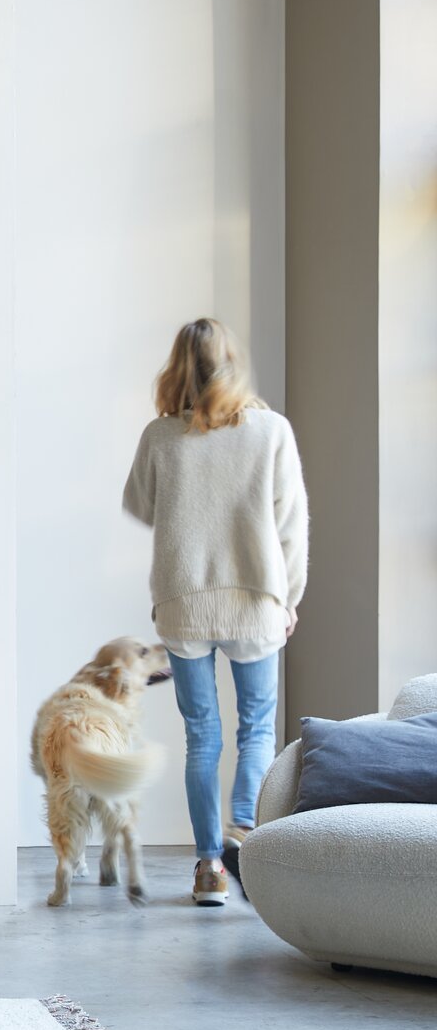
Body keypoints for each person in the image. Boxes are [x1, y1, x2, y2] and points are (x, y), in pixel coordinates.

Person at [122, 318, 308, 906]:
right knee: (256, 727)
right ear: (232, 362)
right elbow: (292, 527)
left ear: (177, 366)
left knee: (202, 736)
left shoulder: (160, 436)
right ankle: (242, 834)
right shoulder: (271, 431)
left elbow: (140, 505)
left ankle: (208, 868)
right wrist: (289, 599)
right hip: (255, 599)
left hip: (184, 603)